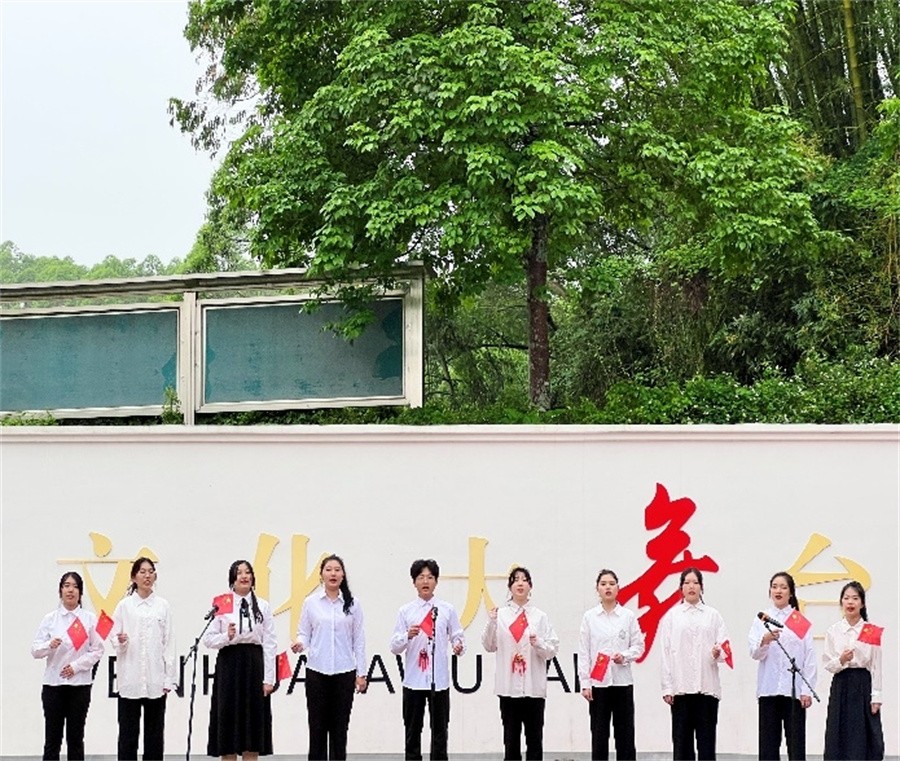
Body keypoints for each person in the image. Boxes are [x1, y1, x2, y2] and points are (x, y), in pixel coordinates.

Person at [292, 554, 367, 760]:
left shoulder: (353, 604)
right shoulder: (311, 603)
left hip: (344, 672)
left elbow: (359, 640)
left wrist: (361, 673)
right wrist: (300, 643)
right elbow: (304, 633)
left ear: (343, 575)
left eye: (337, 570)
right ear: (321, 575)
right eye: (328, 570)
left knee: (339, 729)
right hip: (317, 672)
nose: (333, 573)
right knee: (317, 729)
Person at [390, 558, 465, 760]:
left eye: (430, 577)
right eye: (421, 577)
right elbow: (394, 646)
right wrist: (407, 635)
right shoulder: (405, 611)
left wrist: (458, 645)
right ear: (414, 582)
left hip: (438, 680)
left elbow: (457, 635)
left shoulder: (446, 609)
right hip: (413, 680)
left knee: (440, 731)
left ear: (436, 581)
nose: (425, 581)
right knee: (412, 731)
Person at [482, 566, 559, 760]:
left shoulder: (539, 616)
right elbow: (489, 645)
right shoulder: (500, 615)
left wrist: (538, 643)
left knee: (535, 740)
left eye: (524, 580)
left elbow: (552, 649)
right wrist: (492, 622)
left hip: (533, 687)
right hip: (508, 688)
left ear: (530, 586)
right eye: (516, 580)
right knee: (511, 740)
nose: (520, 583)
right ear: (510, 587)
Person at [205, 560, 276, 760]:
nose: (244, 576)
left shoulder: (263, 605)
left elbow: (270, 643)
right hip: (229, 665)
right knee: (228, 726)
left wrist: (269, 679)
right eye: (239, 573)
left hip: (254, 665)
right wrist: (226, 636)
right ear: (232, 579)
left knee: (252, 728)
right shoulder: (222, 604)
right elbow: (208, 640)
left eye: (247, 572)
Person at [31, 571, 104, 761]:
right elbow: (35, 650)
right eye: (66, 586)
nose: (70, 590)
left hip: (79, 686)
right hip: (53, 685)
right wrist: (49, 645)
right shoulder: (50, 619)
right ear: (60, 591)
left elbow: (97, 650)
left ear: (81, 592)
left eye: (75, 586)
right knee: (52, 739)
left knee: (76, 739)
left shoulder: (89, 619)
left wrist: (76, 666)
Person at [659, 567, 729, 761]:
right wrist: (667, 687)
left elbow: (725, 647)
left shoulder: (713, 615)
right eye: (687, 583)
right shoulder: (672, 616)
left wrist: (718, 652)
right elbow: (665, 653)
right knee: (682, 745)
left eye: (695, 583)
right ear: (681, 587)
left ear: (701, 587)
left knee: (706, 744)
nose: (691, 586)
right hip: (680, 689)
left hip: (706, 688)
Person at [112, 557, 177, 760]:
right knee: (127, 737)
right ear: (133, 577)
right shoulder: (124, 606)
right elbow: (114, 639)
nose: (147, 576)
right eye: (142, 571)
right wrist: (120, 641)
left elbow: (169, 643)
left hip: (155, 680)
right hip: (130, 679)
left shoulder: (163, 606)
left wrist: (169, 678)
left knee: (154, 737)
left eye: (151, 571)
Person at [748, 571, 816, 760]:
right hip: (768, 689)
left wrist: (807, 690)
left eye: (783, 587)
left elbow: (809, 656)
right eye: (774, 587)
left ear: (791, 593)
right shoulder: (762, 618)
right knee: (768, 746)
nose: (778, 591)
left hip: (793, 691)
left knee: (796, 745)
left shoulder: (798, 620)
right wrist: (765, 640)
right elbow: (754, 653)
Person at [578, 568, 645, 761]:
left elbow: (638, 646)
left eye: (611, 584)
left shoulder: (627, 616)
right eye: (603, 584)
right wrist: (585, 683)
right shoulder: (590, 617)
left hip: (622, 682)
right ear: (597, 589)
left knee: (625, 735)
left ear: (618, 588)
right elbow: (584, 652)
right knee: (599, 735)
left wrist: (624, 656)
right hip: (598, 684)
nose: (607, 587)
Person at [822, 581, 884, 760]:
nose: (850, 602)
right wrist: (841, 660)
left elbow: (876, 666)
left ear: (862, 603)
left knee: (862, 734)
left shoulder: (870, 631)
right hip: (841, 683)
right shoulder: (833, 630)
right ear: (841, 602)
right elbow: (828, 664)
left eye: (855, 598)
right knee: (839, 732)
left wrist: (876, 697)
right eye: (846, 598)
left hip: (863, 684)